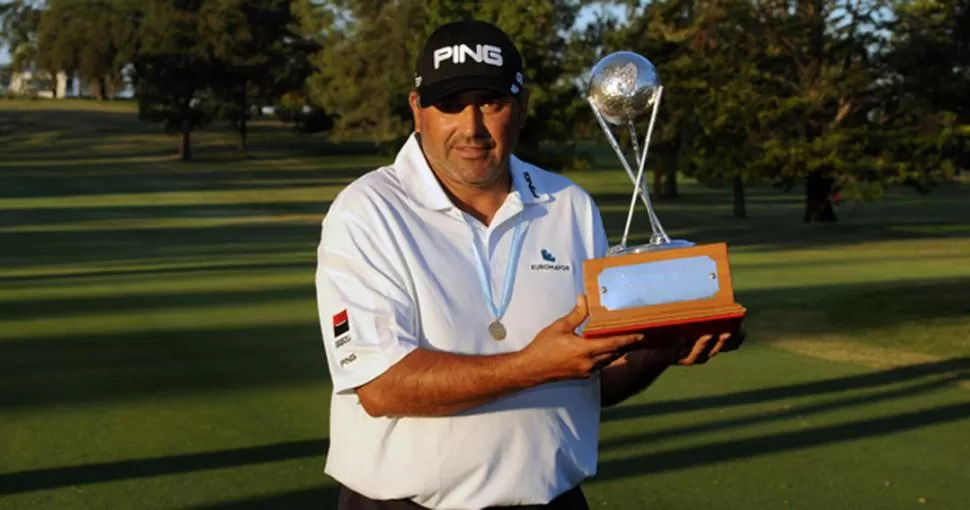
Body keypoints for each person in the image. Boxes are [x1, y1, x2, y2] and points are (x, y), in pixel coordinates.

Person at [315, 19, 735, 510]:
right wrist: (530, 367)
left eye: (491, 103)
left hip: (552, 501)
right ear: (418, 110)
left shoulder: (569, 205)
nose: (471, 127)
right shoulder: (368, 210)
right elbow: (381, 386)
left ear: (522, 106)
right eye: (450, 105)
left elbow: (588, 380)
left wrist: (663, 348)